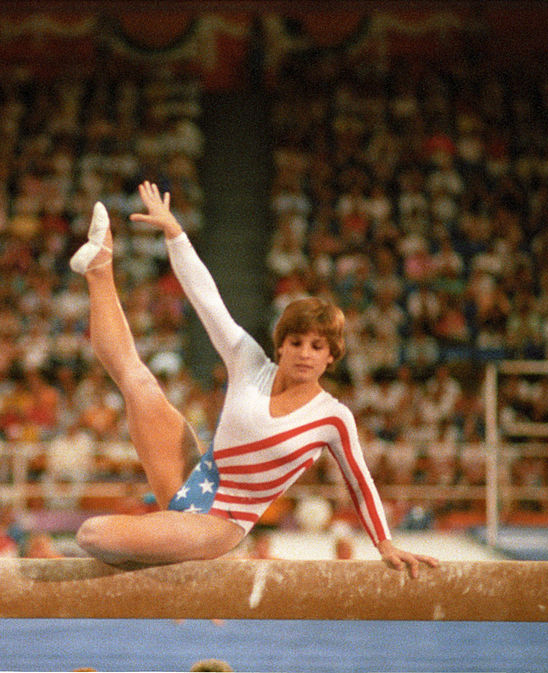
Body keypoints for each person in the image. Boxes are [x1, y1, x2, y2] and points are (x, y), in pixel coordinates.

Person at [70, 182, 439, 577]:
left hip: (221, 524)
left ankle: (192, 554)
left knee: (93, 535)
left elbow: (360, 483)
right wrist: (174, 232)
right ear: (280, 346)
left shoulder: (332, 417)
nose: (304, 353)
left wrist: (385, 544)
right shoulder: (249, 362)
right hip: (193, 476)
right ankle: (99, 268)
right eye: (296, 342)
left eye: (317, 347)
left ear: (331, 357)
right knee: (137, 381)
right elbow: (206, 298)